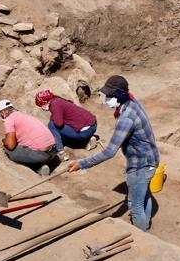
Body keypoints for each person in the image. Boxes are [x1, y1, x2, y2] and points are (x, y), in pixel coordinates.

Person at [67, 75, 160, 232]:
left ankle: (142, 235)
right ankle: (146, 224)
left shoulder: (127, 118)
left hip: (141, 164)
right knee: (144, 195)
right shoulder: (132, 101)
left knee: (135, 205)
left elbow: (110, 151)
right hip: (150, 158)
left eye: (110, 96)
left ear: (119, 95)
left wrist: (82, 163)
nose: (107, 100)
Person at [0, 99, 57, 177]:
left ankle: (38, 168)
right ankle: (45, 163)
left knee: (7, 150)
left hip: (42, 155)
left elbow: (10, 145)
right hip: (54, 151)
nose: (0, 116)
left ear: (2, 112)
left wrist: (4, 141)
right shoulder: (24, 115)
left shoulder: (9, 120)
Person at [34, 90, 98, 161]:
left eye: (41, 105)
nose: (42, 107)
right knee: (57, 124)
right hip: (92, 125)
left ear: (45, 102)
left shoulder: (55, 104)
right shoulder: (57, 100)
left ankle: (61, 153)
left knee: (51, 125)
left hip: (86, 130)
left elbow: (58, 123)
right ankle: (87, 141)